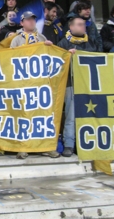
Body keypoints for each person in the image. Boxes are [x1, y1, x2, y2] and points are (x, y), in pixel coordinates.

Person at [10, 11, 56, 160]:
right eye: (28, 20)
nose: (31, 22)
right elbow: (10, 59)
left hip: (40, 84)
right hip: (23, 83)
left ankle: (46, 146)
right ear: (22, 23)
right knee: (23, 115)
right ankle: (23, 148)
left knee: (43, 115)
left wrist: (50, 47)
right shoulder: (16, 40)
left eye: (33, 19)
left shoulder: (42, 38)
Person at [57, 16, 98, 157]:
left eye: (84, 24)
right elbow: (58, 64)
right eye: (79, 24)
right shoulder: (63, 43)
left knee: (90, 114)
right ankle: (69, 144)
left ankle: (87, 143)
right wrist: (67, 56)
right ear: (71, 27)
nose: (83, 27)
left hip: (89, 84)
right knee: (71, 115)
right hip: (71, 84)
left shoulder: (91, 42)